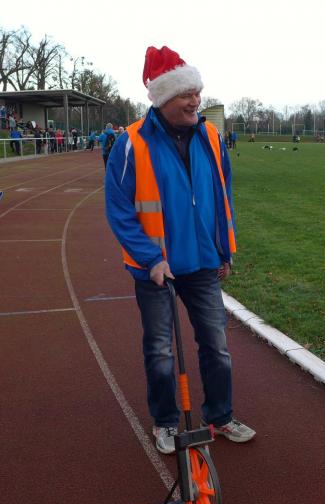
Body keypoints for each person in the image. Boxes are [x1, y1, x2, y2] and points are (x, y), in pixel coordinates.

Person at [105, 45, 255, 455]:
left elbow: (222, 194)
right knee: (160, 351)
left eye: (197, 92)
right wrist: (151, 259)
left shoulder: (211, 136)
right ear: (164, 97)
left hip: (203, 264)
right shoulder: (131, 143)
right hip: (157, 269)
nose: (195, 101)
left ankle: (220, 416)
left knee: (217, 347)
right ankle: (166, 422)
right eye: (187, 94)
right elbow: (119, 210)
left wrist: (224, 249)